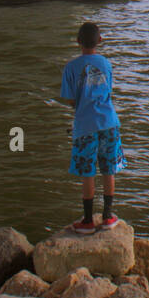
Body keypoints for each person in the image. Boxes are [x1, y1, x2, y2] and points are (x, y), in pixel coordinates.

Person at [61, 21, 126, 233]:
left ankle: (88, 221)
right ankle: (108, 216)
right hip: (109, 122)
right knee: (109, 169)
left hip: (85, 126)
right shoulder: (106, 64)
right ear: (100, 40)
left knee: (87, 172)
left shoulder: (70, 67)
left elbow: (70, 99)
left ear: (78, 41)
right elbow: (108, 91)